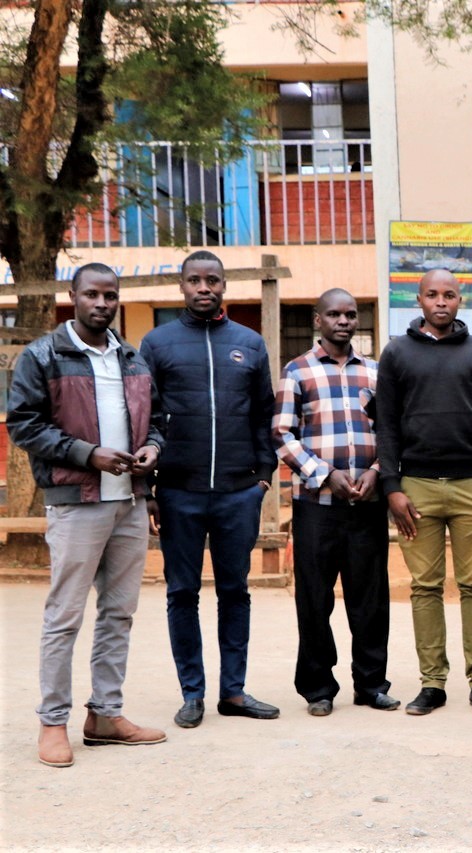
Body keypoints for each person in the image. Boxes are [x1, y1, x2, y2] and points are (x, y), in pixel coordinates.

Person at [7, 263, 167, 767]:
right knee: (65, 617)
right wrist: (86, 453)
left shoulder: (133, 359)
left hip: (130, 501)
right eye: (92, 294)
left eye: (110, 296)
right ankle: (53, 722)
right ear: (72, 296)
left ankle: (104, 715)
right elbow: (24, 425)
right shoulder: (43, 356)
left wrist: (154, 450)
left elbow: (158, 421)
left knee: (119, 612)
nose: (102, 303)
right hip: (77, 502)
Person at [141, 250, 280, 728]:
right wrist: (149, 490)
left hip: (239, 493)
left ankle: (234, 692)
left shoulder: (250, 343)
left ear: (224, 286)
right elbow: (146, 419)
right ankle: (192, 693)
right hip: (179, 492)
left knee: (234, 591)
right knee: (182, 592)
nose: (205, 288)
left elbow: (265, 414)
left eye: (213, 280)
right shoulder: (157, 344)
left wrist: (263, 477)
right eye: (195, 281)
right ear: (182, 286)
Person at [377, 268, 472, 717]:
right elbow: (387, 426)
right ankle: (432, 683)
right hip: (416, 489)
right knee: (425, 587)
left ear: (460, 299)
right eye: (432, 294)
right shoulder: (395, 354)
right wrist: (391, 486)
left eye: (449, 295)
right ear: (419, 299)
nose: (440, 302)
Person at [274, 288, 397, 717]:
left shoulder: (377, 372)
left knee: (371, 599)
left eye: (350, 314)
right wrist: (326, 475)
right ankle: (318, 688)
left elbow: (391, 432)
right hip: (316, 507)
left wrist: (377, 471)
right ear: (317, 320)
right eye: (334, 314)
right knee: (314, 600)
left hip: (367, 504)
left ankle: (371, 684)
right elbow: (281, 435)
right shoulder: (297, 371)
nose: (343, 321)